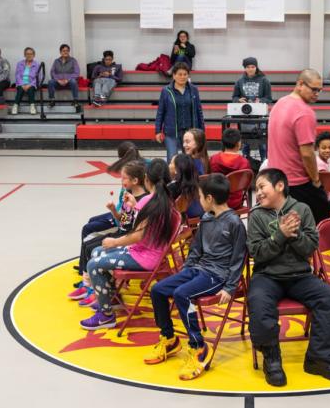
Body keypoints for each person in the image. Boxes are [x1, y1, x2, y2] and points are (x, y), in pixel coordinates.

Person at [247, 168, 330, 386]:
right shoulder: (256, 216)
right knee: (258, 301)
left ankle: (319, 359)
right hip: (267, 275)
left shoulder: (302, 209)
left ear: (280, 186)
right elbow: (257, 253)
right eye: (256, 189)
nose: (259, 193)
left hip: (300, 275)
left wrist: (295, 235)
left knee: (329, 297)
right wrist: (279, 235)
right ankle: (272, 359)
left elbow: (309, 247)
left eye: (262, 187)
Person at [146, 173, 246, 380]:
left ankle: (199, 346)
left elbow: (239, 257)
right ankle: (169, 338)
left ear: (209, 198)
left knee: (182, 294)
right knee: (158, 290)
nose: (198, 201)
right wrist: (187, 270)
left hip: (217, 275)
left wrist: (230, 287)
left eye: (200, 196)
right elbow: (196, 250)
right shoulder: (206, 219)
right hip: (198, 269)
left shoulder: (235, 223)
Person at [80, 158, 180, 331]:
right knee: (97, 251)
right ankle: (110, 297)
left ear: (147, 179)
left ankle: (106, 315)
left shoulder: (149, 202)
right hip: (154, 253)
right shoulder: (166, 201)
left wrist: (114, 242)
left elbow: (138, 235)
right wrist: (134, 207)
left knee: (94, 263)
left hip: (144, 256)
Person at [70, 159, 148, 306]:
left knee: (93, 248)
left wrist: (134, 205)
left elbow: (140, 227)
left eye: (124, 178)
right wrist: (113, 210)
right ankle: (90, 286)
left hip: (127, 238)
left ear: (135, 180)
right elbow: (124, 221)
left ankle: (98, 290)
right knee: (88, 245)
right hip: (121, 232)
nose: (121, 180)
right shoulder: (128, 194)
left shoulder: (143, 200)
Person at [267, 68, 329, 224]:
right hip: (297, 183)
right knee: (322, 221)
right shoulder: (304, 112)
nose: (317, 94)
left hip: (275, 179)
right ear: (300, 84)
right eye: (314, 89)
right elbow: (307, 153)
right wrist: (316, 180)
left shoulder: (280, 103)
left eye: (319, 90)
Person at [155, 62, 205, 161]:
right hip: (171, 132)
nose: (182, 77)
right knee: (172, 159)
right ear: (174, 75)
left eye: (185, 74)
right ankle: (172, 176)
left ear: (188, 75)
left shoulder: (194, 90)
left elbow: (199, 111)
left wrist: (202, 130)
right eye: (179, 74)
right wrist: (157, 131)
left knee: (190, 159)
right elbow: (160, 112)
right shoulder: (166, 91)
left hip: (190, 131)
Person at [232, 56, 273, 160]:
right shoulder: (239, 81)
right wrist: (238, 100)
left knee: (262, 143)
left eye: (253, 66)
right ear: (245, 68)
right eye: (248, 67)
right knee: (245, 143)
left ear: (256, 67)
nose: (250, 69)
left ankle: (264, 163)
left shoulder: (264, 80)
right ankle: (246, 162)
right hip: (245, 118)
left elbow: (269, 98)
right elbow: (234, 97)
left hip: (260, 117)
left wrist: (261, 101)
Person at [209, 127, 252, 210]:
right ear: (238, 144)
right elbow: (247, 184)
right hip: (235, 202)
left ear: (223, 143)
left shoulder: (214, 159)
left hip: (217, 201)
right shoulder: (244, 162)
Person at [168, 154, 205, 221]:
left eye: (170, 163)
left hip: (181, 222)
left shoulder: (172, 188)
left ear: (176, 170)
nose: (169, 165)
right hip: (201, 218)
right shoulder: (199, 183)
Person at [48, 43, 81, 111]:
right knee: (50, 82)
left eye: (67, 50)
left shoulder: (73, 60)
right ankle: (52, 100)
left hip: (69, 83)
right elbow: (52, 72)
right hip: (58, 83)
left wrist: (67, 79)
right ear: (60, 52)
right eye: (63, 50)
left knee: (73, 81)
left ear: (69, 51)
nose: (65, 52)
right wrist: (58, 80)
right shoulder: (56, 61)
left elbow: (77, 73)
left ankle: (75, 100)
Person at [11, 47, 41, 115]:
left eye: (31, 54)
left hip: (31, 83)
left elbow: (39, 77)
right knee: (20, 89)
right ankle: (15, 106)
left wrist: (30, 84)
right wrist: (22, 84)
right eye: (27, 54)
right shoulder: (19, 63)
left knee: (30, 89)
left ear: (34, 55)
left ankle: (32, 106)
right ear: (24, 55)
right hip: (21, 83)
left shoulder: (37, 64)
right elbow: (17, 75)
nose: (29, 55)